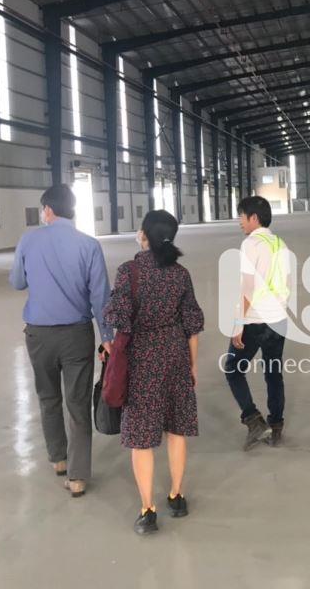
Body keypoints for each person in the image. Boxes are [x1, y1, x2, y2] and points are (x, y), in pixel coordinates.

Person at [104, 210, 203, 535]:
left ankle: (148, 509)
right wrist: (192, 365)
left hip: (142, 359)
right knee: (176, 429)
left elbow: (118, 318)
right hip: (175, 355)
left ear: (144, 235)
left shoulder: (129, 271)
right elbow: (192, 324)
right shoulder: (181, 274)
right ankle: (177, 495)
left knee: (141, 437)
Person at [10, 185, 113, 498]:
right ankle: (78, 476)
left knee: (48, 397)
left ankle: (58, 458)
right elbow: (100, 297)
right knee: (77, 403)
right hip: (76, 335)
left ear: (47, 209)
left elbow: (17, 282)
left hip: (38, 335)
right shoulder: (89, 245)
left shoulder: (28, 240)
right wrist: (107, 337)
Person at [224, 196, 290, 451]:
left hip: (255, 320)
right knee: (273, 373)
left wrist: (238, 323)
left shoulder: (251, 243)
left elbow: (248, 288)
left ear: (254, 218)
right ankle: (276, 425)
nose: (239, 221)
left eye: (242, 216)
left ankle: (253, 419)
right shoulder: (280, 243)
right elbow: (287, 282)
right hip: (278, 319)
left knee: (233, 369)